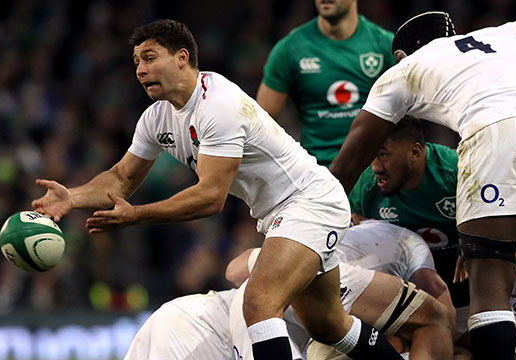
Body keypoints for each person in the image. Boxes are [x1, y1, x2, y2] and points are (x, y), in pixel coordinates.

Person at [31, 19, 402, 359]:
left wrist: (137, 216)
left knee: (258, 304)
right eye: (136, 62)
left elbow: (211, 198)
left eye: (149, 57)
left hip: (310, 201)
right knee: (328, 325)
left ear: (182, 57)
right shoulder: (156, 118)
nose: (140, 69)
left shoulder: (218, 104)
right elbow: (121, 178)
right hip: (281, 214)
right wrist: (73, 197)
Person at [330, 11, 516, 359]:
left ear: (402, 55)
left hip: (492, 131)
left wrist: (314, 207)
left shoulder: (404, 70)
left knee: (489, 278)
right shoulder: (510, 32)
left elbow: (352, 155)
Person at [227, 220, 454, 359]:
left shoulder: (323, 228)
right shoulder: (405, 240)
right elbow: (440, 308)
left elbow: (234, 271)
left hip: (254, 312)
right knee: (435, 318)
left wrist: (278, 262)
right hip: (321, 288)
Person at [348, 116, 471, 350]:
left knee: (478, 345)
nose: (375, 167)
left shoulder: (456, 172)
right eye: (372, 154)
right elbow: (357, 232)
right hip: (408, 292)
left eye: (383, 154)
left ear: (415, 152)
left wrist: (474, 240)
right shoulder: (367, 186)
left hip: (468, 281)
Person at [256, 0, 395, 167]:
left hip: (372, 174)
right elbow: (260, 127)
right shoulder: (289, 49)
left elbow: (409, 121)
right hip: (315, 175)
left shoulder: (385, 46)